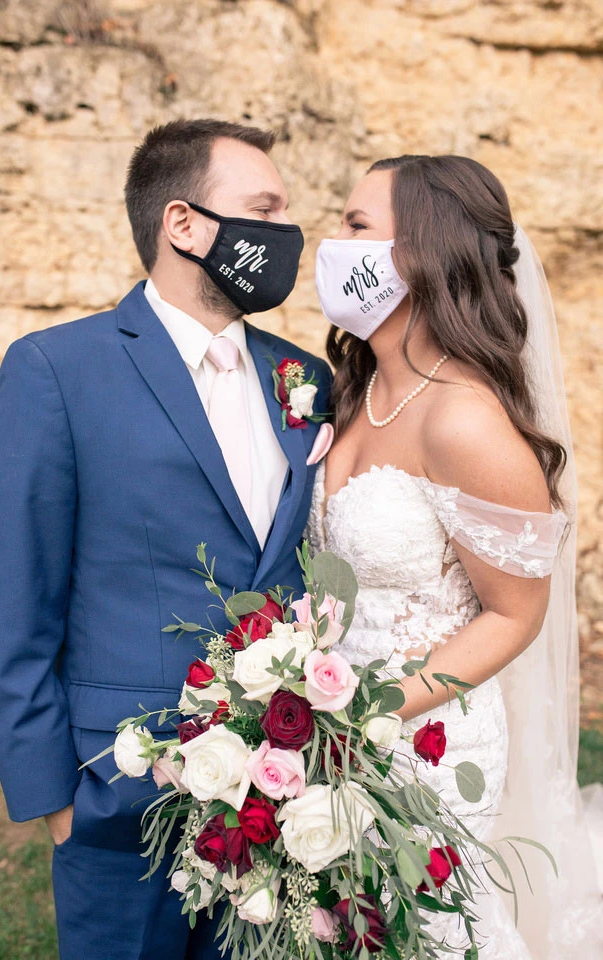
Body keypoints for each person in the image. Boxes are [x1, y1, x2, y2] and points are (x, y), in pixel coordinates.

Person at [0, 118, 332, 960]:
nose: (284, 233)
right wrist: (54, 799)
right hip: (118, 796)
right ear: (184, 224)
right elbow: (10, 589)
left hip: (281, 796)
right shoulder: (56, 369)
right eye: (263, 209)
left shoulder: (303, 378)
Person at [308, 154, 602, 958]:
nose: (331, 244)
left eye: (355, 226)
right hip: (328, 731)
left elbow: (517, 613)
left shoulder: (464, 419)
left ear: (420, 254)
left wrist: (373, 712)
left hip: (426, 739)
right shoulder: (353, 390)